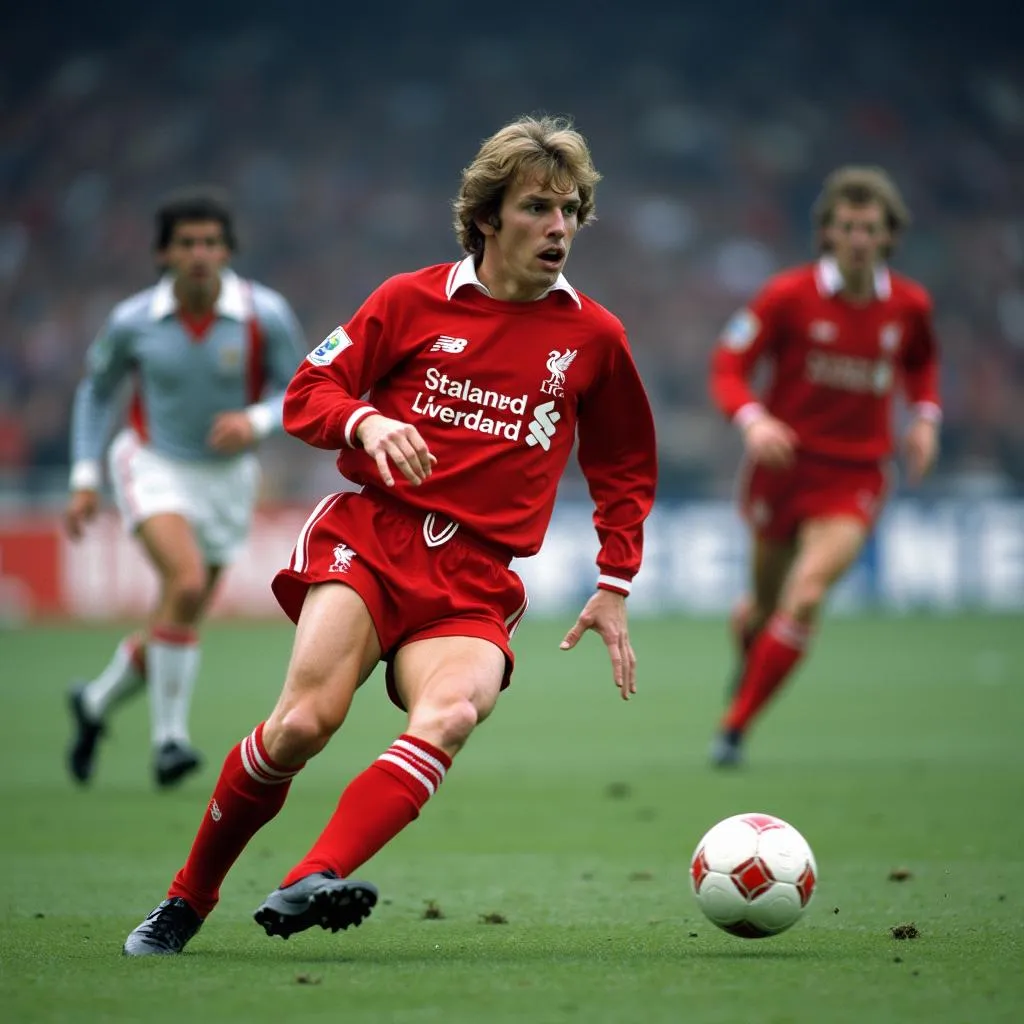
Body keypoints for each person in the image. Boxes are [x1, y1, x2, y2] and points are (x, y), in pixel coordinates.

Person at [121, 114, 658, 956]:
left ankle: (310, 878)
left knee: (449, 714)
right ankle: (186, 900)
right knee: (302, 726)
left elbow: (626, 466)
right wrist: (366, 423)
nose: (559, 227)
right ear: (488, 217)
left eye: (570, 210)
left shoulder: (596, 338)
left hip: (478, 577)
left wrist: (616, 580)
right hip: (373, 539)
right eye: (537, 208)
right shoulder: (409, 300)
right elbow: (307, 393)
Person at [65, 186, 306, 788]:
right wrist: (85, 475)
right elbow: (96, 392)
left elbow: (301, 389)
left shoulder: (263, 314)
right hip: (152, 464)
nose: (199, 253)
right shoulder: (132, 321)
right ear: (163, 254)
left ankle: (94, 704)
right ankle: (170, 741)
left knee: (179, 616)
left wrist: (253, 421)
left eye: (210, 242)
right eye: (186, 243)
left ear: (227, 251)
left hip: (228, 479)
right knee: (186, 580)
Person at [707, 166, 941, 767]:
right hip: (783, 469)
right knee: (761, 609)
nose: (858, 238)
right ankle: (751, 660)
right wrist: (755, 419)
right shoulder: (787, 296)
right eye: (846, 227)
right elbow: (728, 366)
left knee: (806, 593)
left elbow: (922, 364)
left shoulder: (909, 305)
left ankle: (733, 729)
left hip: (857, 476)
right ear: (827, 234)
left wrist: (925, 417)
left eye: (870, 228)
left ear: (889, 235)